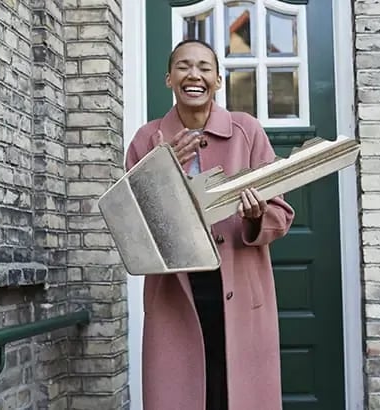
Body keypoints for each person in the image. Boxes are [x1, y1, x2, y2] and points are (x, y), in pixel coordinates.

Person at [124, 39, 295, 410]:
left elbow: (281, 215)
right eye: (183, 66)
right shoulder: (146, 141)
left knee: (236, 394)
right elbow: (133, 228)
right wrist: (162, 169)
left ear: (218, 79)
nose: (194, 74)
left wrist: (255, 216)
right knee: (181, 394)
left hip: (240, 293)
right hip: (175, 295)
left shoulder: (247, 132)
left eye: (204, 67)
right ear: (169, 78)